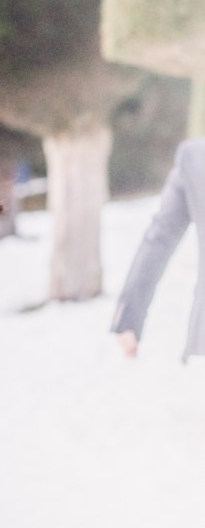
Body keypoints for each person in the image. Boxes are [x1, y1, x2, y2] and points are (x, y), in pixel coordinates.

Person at [112, 137, 205, 362]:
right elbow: (160, 237)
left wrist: (129, 318)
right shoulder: (194, 157)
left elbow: (159, 238)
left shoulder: (195, 157)